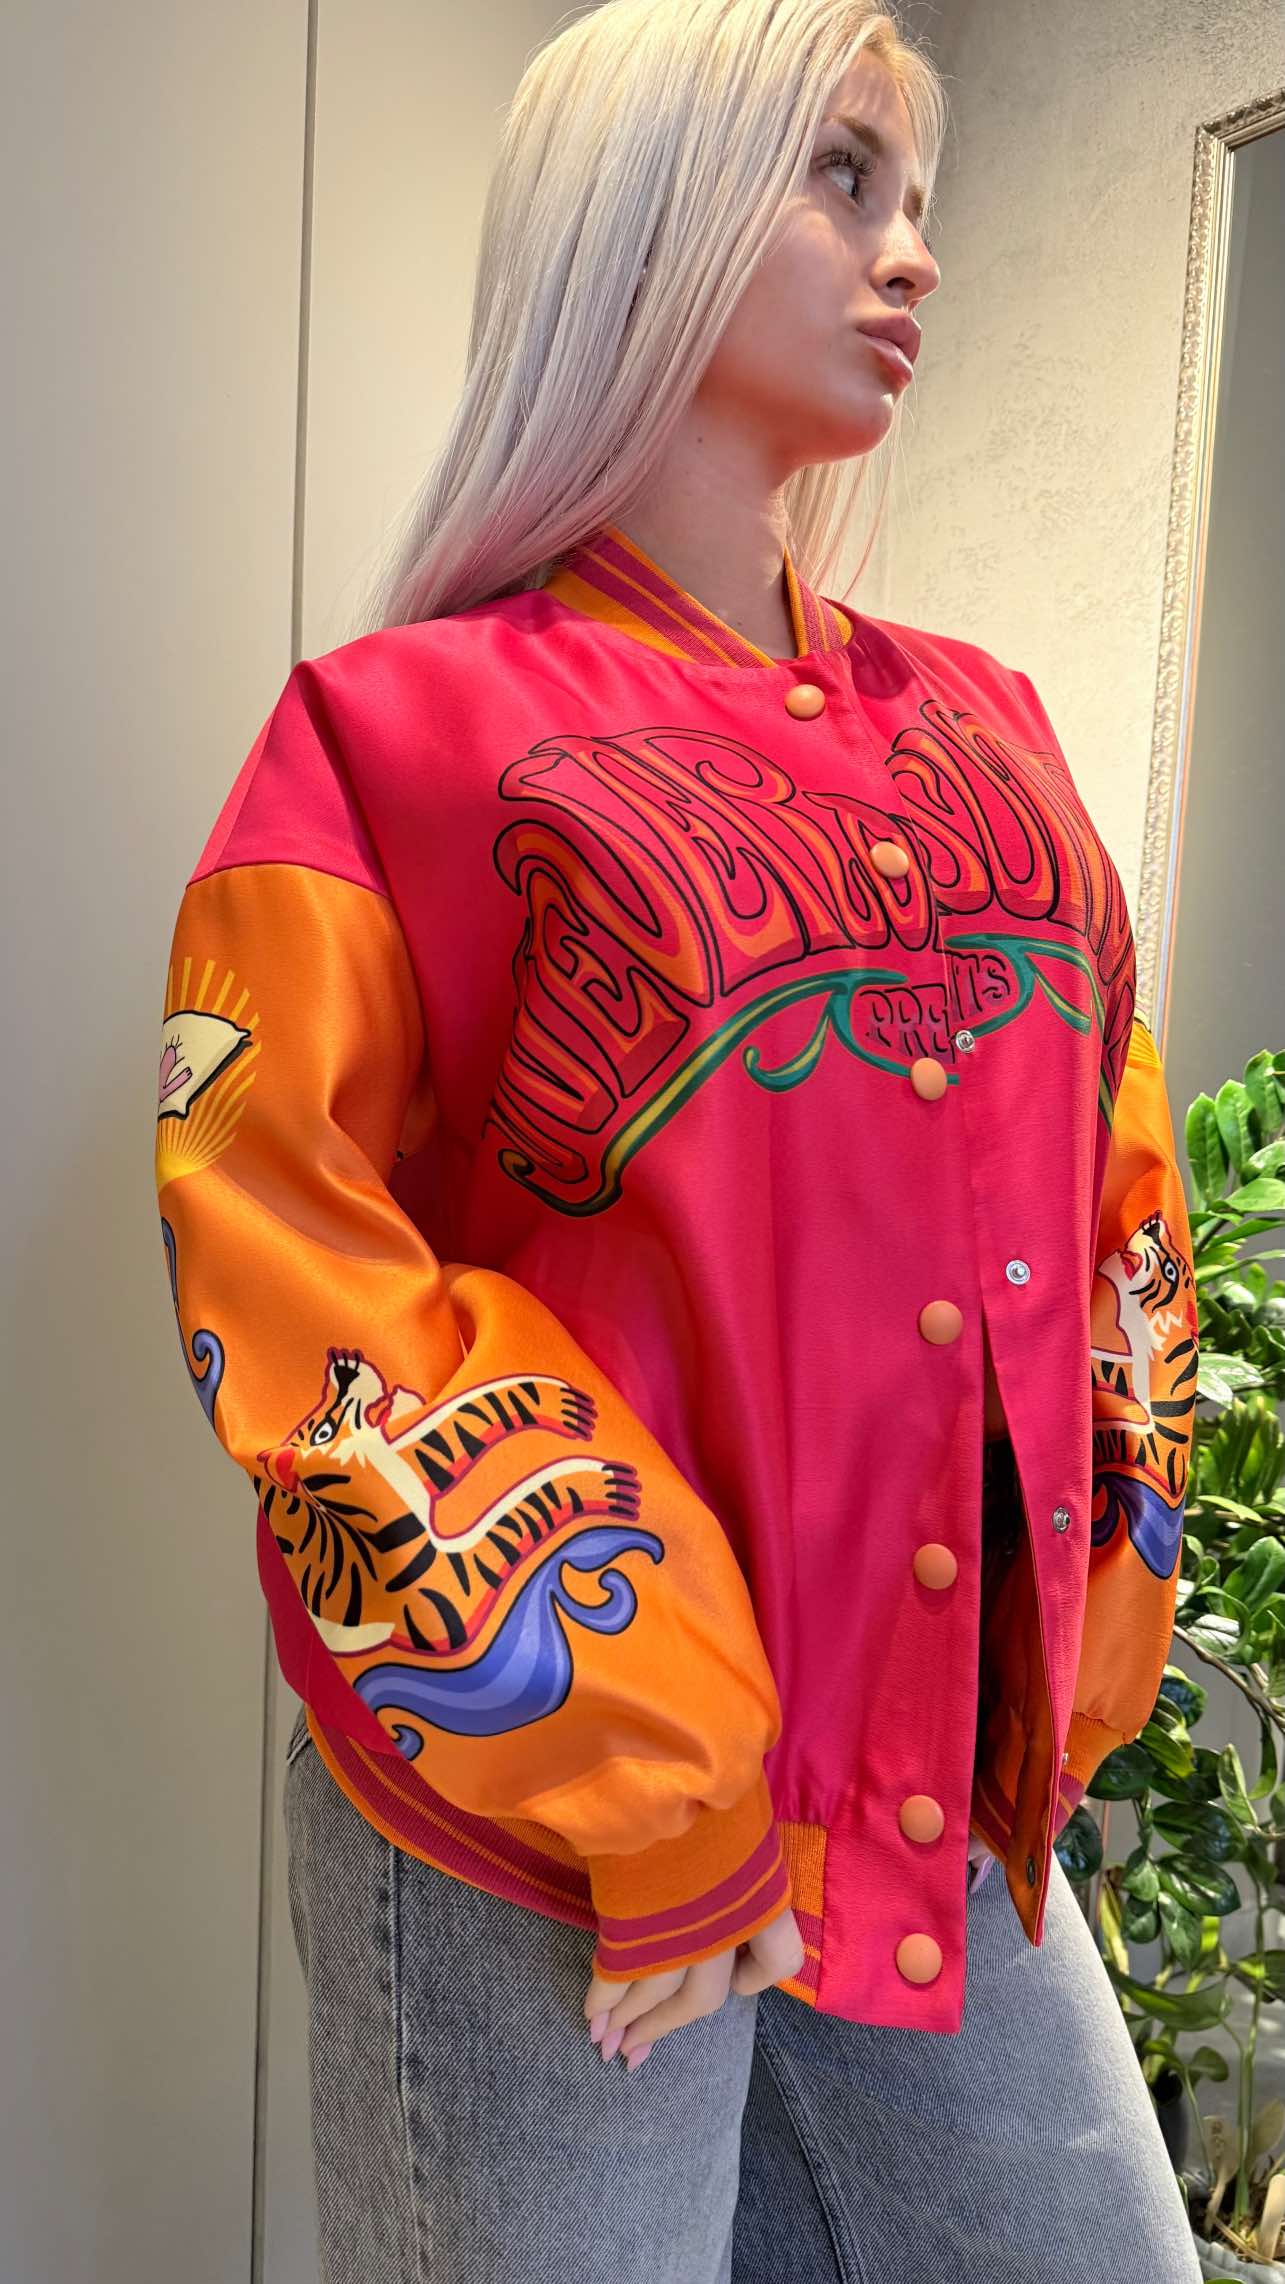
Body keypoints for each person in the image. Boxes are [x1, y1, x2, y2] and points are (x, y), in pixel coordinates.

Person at [154, 1, 1203, 2275]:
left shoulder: (993, 731)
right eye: (840, 176)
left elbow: (1117, 1193)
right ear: (643, 212)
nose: (911, 250)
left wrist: (1084, 1627)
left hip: (932, 1765)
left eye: (916, 195)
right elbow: (283, 1249)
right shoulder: (392, 737)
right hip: (546, 1794)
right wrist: (640, 1741)